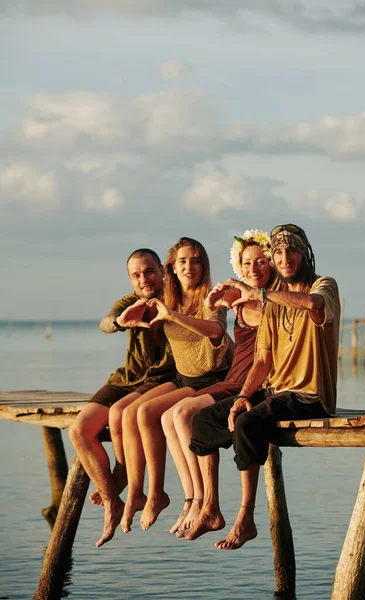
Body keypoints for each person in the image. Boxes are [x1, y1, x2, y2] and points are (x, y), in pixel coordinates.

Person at [185, 223, 340, 550]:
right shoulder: (272, 300)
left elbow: (313, 304)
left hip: (310, 395)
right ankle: (210, 505)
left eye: (292, 250)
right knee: (203, 420)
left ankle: (246, 517)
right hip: (275, 391)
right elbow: (262, 360)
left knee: (249, 422)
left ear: (305, 253)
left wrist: (261, 293)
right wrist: (242, 396)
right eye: (279, 252)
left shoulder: (324, 285)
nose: (285, 258)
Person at [161, 229, 276, 534]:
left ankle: (206, 504)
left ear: (271, 264)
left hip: (252, 382)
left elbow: (260, 343)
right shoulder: (238, 301)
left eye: (261, 262)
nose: (253, 268)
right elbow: (237, 343)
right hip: (234, 377)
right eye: (247, 263)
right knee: (175, 414)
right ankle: (199, 500)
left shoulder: (276, 302)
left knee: (186, 412)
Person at [118, 237, 233, 536]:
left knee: (178, 417)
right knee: (148, 413)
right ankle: (188, 497)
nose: (189, 267)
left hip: (216, 377)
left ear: (204, 265)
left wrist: (172, 316)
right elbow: (125, 306)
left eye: (195, 260)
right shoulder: (168, 294)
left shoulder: (211, 295)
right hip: (187, 379)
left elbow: (216, 329)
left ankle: (201, 501)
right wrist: (125, 320)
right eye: (182, 261)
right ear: (172, 267)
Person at [69, 248, 175, 548]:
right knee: (79, 431)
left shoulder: (176, 298)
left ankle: (122, 472)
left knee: (119, 413)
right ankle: (113, 500)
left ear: (162, 271)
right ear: (130, 279)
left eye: (149, 271)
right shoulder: (131, 301)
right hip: (127, 377)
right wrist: (120, 322)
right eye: (136, 275)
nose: (144, 279)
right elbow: (106, 322)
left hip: (160, 380)